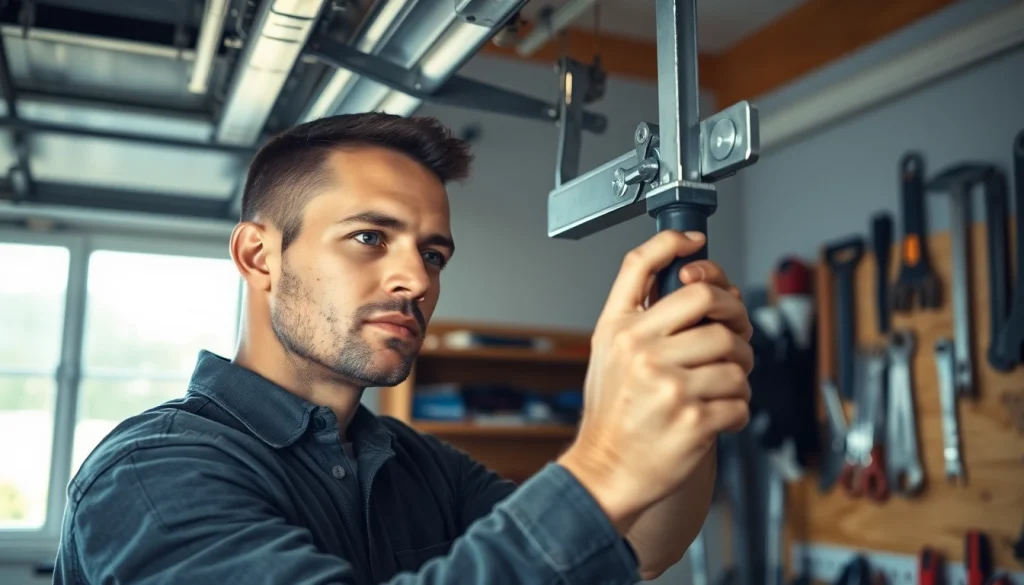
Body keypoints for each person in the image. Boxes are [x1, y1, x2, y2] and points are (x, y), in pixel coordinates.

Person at [52, 113, 754, 585]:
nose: (417, 278)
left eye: (434, 253)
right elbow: (596, 502)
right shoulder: (150, 474)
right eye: (369, 237)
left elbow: (640, 546)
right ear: (259, 256)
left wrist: (687, 400)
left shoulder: (417, 465)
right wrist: (603, 461)